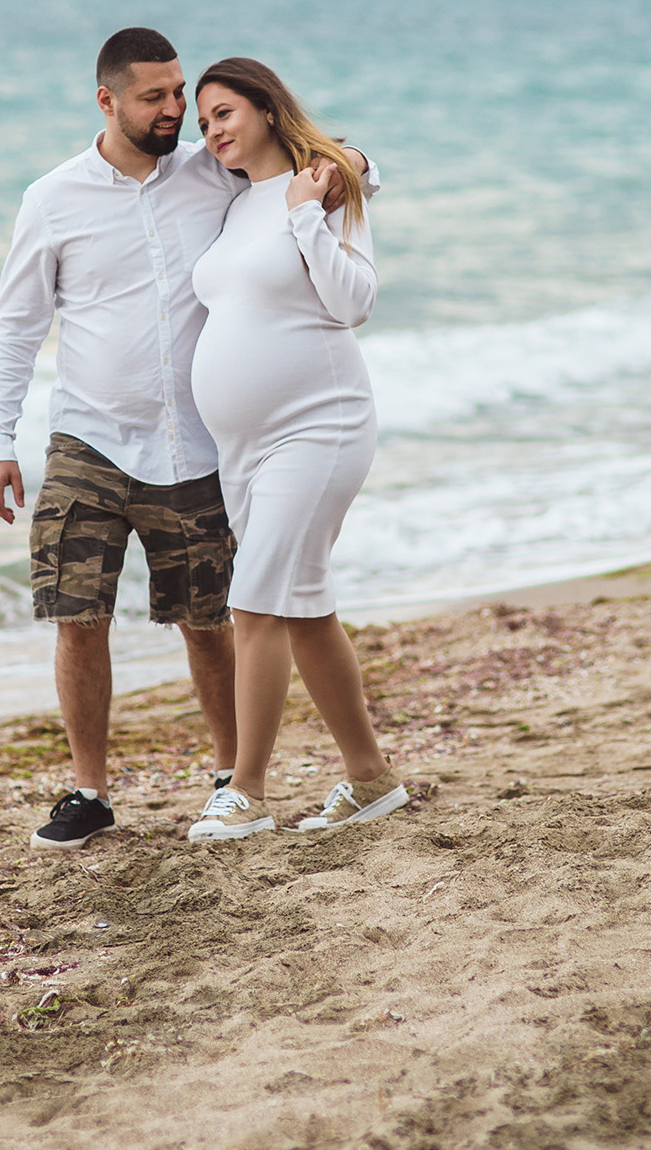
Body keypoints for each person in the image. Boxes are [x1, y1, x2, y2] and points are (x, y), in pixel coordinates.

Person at [0, 28, 376, 850]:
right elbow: (14, 327)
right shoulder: (51, 198)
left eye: (180, 94)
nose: (174, 113)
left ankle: (234, 776)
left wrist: (359, 163)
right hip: (88, 435)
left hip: (196, 445)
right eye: (155, 98)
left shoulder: (212, 171)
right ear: (107, 100)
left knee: (210, 618)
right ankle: (89, 789)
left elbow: (320, 164)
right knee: (76, 614)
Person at [183, 57, 406, 842]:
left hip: (322, 423)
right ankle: (371, 779)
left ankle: (244, 789)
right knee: (304, 609)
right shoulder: (235, 203)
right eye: (203, 120)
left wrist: (310, 212)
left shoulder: (327, 182)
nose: (212, 131)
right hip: (243, 447)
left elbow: (356, 303)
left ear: (267, 108)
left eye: (224, 112)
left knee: (254, 600)